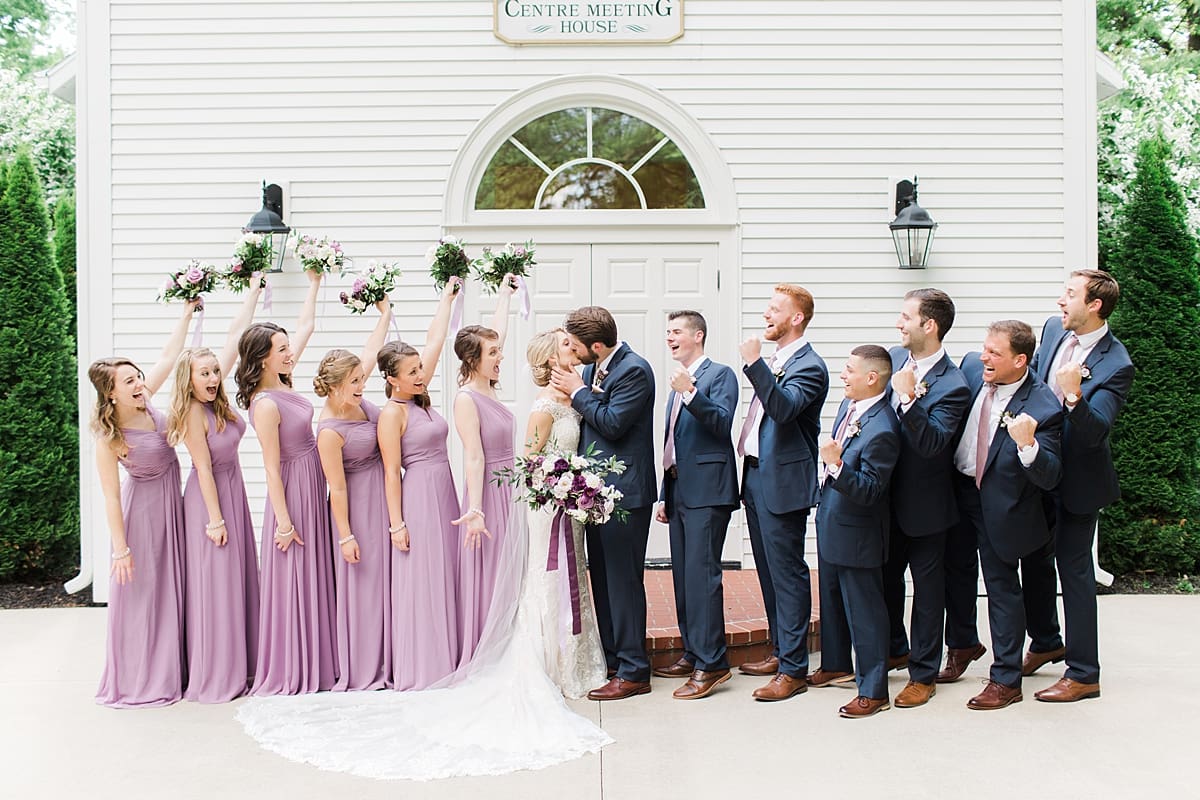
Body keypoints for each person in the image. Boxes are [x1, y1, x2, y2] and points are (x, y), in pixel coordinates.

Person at [1022, 270, 1133, 702]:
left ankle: (1084, 673)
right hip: (1037, 469)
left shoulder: (1116, 363)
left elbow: (1094, 432)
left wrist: (1074, 397)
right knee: (1031, 557)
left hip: (1079, 484)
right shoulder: (1053, 330)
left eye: (1069, 295)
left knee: (1074, 572)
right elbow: (1031, 380)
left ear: (1095, 306)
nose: (1059, 302)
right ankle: (1047, 640)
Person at [951, 320, 1063, 710]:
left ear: (1020, 360)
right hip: (958, 492)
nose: (984, 356)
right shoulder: (969, 368)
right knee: (954, 573)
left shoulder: (1043, 406)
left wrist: (1028, 444)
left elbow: (1049, 475)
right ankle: (962, 646)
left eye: (994, 353)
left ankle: (1005, 680)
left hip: (1002, 505)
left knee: (1001, 590)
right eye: (985, 348)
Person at [92, 301, 198, 708]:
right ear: (111, 393)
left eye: (138, 377)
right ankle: (142, 675)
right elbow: (111, 496)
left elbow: (170, 356)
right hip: (144, 517)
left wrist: (187, 314)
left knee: (175, 589)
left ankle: (177, 666)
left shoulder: (149, 402)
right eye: (129, 382)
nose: (138, 385)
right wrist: (121, 549)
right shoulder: (110, 436)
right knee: (146, 596)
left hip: (174, 508)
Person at [550, 306, 657, 701]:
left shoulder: (635, 370)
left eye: (576, 346)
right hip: (595, 493)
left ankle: (634, 670)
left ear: (596, 345)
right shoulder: (596, 367)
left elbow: (612, 422)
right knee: (604, 580)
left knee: (624, 582)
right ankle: (612, 659)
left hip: (625, 493)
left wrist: (578, 392)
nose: (573, 353)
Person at [235, 270, 334, 695]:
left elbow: (307, 327)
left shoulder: (287, 382)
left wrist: (314, 282)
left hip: (314, 480)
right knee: (296, 574)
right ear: (262, 358)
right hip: (292, 490)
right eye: (281, 349)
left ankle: (320, 658)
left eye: (288, 348)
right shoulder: (265, 404)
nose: (290, 353)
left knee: (316, 571)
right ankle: (294, 664)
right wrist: (283, 521)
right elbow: (271, 469)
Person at [166, 282, 264, 703]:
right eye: (202, 374)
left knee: (236, 580)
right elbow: (202, 468)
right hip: (209, 502)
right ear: (188, 381)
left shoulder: (216, 400)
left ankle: (243, 665)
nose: (211, 377)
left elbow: (233, 338)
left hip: (233, 491)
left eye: (213, 372)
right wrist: (215, 519)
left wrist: (255, 292)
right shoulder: (192, 412)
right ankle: (216, 673)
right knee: (216, 587)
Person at [735, 284, 828, 702]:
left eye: (775, 310)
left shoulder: (810, 366)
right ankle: (779, 650)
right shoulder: (777, 360)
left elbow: (784, 410)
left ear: (797, 318)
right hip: (755, 477)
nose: (766, 315)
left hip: (783, 483)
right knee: (768, 572)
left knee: (788, 574)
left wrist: (754, 363)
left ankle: (794, 669)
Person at [881, 289, 971, 707]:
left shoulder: (953, 385)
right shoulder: (897, 361)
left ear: (928, 325)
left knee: (927, 592)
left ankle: (923, 673)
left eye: (905, 317)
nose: (899, 323)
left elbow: (934, 443)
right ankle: (894, 649)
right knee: (885, 582)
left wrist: (908, 398)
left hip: (926, 506)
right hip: (883, 499)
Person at [377, 278, 462, 690]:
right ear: (392, 379)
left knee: (446, 572)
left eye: (420, 369)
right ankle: (425, 664)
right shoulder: (393, 413)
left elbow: (436, 339)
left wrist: (446, 299)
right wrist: (396, 524)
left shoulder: (418, 399)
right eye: (411, 372)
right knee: (423, 577)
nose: (420, 374)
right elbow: (391, 471)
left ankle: (449, 655)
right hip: (418, 499)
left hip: (444, 491)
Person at [809, 345, 901, 718]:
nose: (843, 375)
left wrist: (835, 465)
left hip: (859, 533)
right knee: (835, 604)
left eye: (849, 370)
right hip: (834, 522)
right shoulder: (851, 409)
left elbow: (869, 490)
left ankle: (874, 690)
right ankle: (837, 666)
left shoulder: (883, 429)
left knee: (865, 614)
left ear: (872, 377)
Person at [652, 310, 740, 700]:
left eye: (676, 332)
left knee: (703, 578)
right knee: (684, 577)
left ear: (698, 335)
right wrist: (663, 493)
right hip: (679, 491)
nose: (669, 338)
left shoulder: (720, 376)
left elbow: (720, 424)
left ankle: (713, 663)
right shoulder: (678, 384)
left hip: (708, 493)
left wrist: (691, 392)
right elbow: (673, 442)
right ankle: (693, 651)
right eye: (667, 332)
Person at [520, 328, 607, 699]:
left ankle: (579, 660)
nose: (575, 347)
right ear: (553, 359)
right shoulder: (543, 408)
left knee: (575, 575)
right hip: (550, 509)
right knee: (552, 576)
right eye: (567, 345)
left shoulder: (573, 397)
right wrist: (562, 486)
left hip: (572, 507)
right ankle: (551, 663)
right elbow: (529, 462)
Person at [314, 301, 393, 691]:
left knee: (390, 581)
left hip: (384, 497)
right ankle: (364, 665)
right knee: (365, 585)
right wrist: (345, 536)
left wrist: (384, 314)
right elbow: (337, 487)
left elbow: (371, 352)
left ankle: (394, 656)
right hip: (356, 508)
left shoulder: (358, 401)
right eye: (356, 382)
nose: (364, 387)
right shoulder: (329, 430)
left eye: (363, 379)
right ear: (333, 387)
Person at [450, 276, 516, 664]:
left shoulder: (490, 385)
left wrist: (505, 295)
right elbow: (473, 457)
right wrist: (475, 510)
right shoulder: (466, 399)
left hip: (511, 488)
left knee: (511, 571)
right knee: (492, 573)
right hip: (487, 493)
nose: (500, 355)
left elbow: (499, 333)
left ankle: (510, 645)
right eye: (493, 352)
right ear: (474, 359)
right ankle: (487, 653)